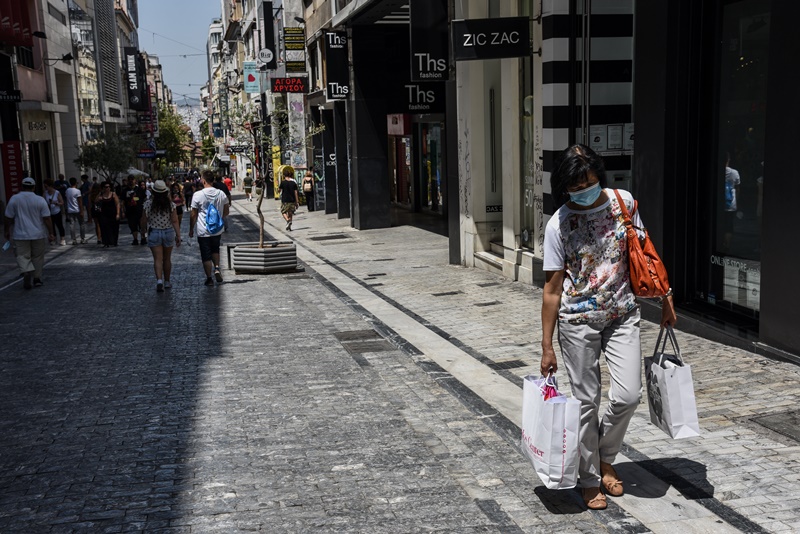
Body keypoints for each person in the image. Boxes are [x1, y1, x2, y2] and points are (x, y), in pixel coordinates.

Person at [540, 144, 676, 511]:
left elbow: (644, 250)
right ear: (564, 187)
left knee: (628, 395)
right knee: (586, 404)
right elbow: (552, 289)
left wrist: (665, 297)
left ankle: (604, 455)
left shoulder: (622, 202)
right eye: (577, 186)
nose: (586, 189)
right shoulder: (558, 224)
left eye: (590, 181)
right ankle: (588, 479)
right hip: (577, 323)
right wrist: (546, 345)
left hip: (622, 313)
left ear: (599, 175)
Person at [4, 177, 55, 289]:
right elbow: (47, 218)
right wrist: (51, 233)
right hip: (38, 234)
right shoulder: (40, 200)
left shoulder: (14, 199)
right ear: (33, 187)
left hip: (20, 234)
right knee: (37, 257)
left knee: (22, 255)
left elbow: (8, 217)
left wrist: (6, 231)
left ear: (22, 186)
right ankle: (37, 278)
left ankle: (26, 270)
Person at [189, 170, 229, 286]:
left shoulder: (198, 195)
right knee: (215, 249)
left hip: (203, 230)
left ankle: (209, 278)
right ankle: (216, 268)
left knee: (206, 253)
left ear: (204, 180)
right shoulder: (221, 193)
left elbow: (193, 214)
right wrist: (218, 218)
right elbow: (226, 211)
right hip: (217, 229)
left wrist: (191, 228)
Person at [141, 180, 181, 292]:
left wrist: (142, 232)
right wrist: (178, 235)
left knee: (157, 259)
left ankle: (159, 280)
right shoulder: (171, 204)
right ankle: (167, 281)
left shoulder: (148, 204)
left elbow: (144, 220)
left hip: (154, 232)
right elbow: (175, 221)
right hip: (168, 232)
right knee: (167, 258)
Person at [96, 181, 121, 247]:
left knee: (114, 228)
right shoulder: (101, 195)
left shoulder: (113, 194)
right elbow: (95, 201)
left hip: (113, 213)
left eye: (109, 187)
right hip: (104, 214)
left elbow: (117, 204)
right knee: (104, 228)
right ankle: (106, 242)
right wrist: (100, 193)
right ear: (103, 188)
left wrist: (118, 213)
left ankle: (114, 241)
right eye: (106, 187)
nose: (108, 188)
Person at [122, 177, 147, 245]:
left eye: (132, 180)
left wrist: (134, 198)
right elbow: (123, 201)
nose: (131, 181)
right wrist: (122, 211)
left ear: (135, 181)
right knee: (132, 225)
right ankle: (135, 239)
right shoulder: (125, 190)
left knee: (142, 225)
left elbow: (143, 198)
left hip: (139, 210)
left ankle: (143, 238)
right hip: (130, 211)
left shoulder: (139, 189)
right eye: (129, 180)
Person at [43, 178, 66, 246]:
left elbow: (62, 202)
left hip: (57, 211)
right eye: (44, 186)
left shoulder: (57, 192)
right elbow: (42, 201)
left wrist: (56, 203)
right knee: (51, 226)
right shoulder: (45, 193)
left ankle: (62, 238)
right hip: (49, 212)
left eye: (46, 186)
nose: (45, 188)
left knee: (59, 225)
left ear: (51, 186)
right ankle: (53, 238)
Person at [64, 177, 86, 245]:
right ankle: (82, 239)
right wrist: (82, 211)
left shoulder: (67, 190)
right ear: (76, 182)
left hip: (70, 210)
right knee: (81, 224)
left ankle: (74, 240)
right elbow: (80, 202)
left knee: (72, 225)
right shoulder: (77, 191)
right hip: (77, 210)